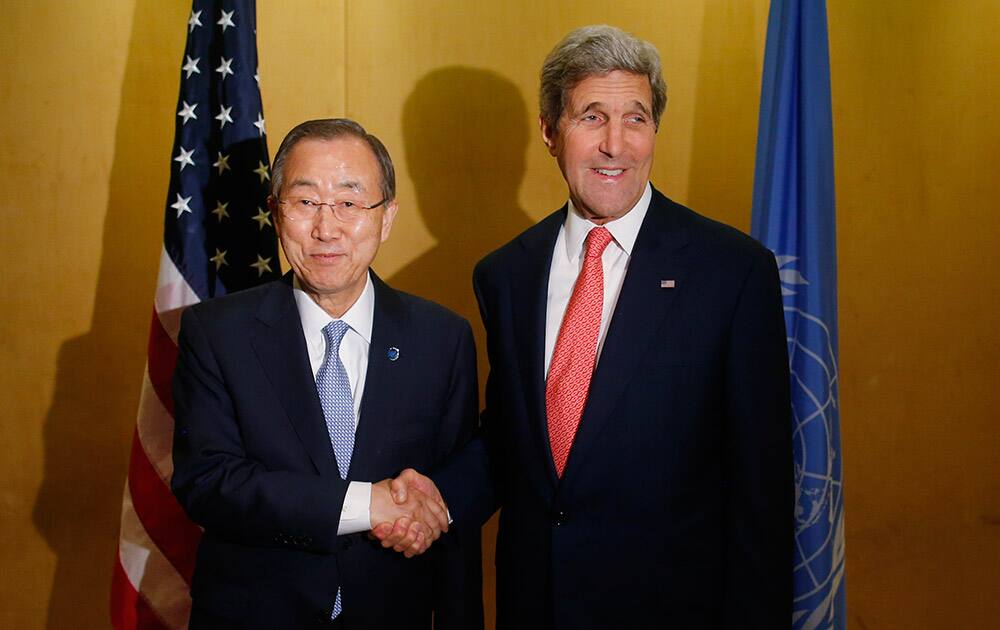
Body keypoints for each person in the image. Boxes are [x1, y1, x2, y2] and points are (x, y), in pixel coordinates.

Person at [384, 25, 793, 628]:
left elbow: (763, 490)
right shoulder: (506, 274)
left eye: (636, 118)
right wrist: (437, 498)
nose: (616, 145)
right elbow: (513, 443)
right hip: (536, 606)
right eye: (592, 117)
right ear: (550, 132)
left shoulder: (731, 273)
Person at [171, 118, 482, 629]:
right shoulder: (215, 333)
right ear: (275, 214)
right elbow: (209, 482)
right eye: (306, 202)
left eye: (351, 202)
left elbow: (446, 505)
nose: (326, 228)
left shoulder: (442, 338)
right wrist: (369, 504)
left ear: (386, 218)